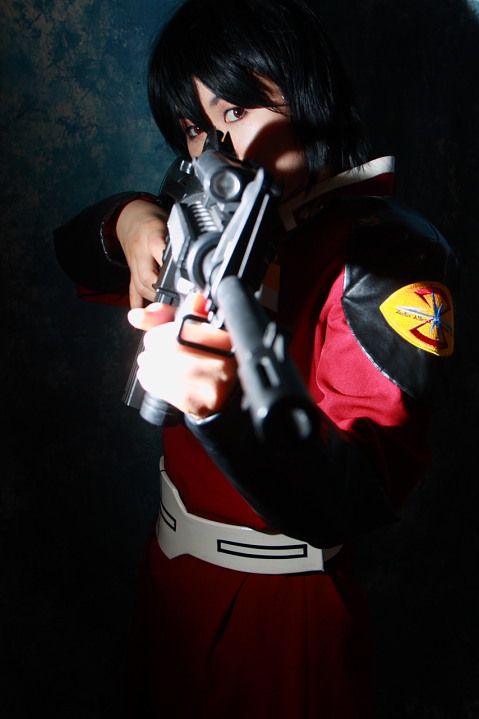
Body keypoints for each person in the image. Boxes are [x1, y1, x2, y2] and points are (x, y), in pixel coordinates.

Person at [53, 0, 456, 716]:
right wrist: (130, 219)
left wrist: (229, 411)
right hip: (172, 578)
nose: (216, 151)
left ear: (305, 92)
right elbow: (72, 253)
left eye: (236, 111)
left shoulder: (385, 255)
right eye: (194, 130)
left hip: (282, 613)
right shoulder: (200, 209)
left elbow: (358, 490)